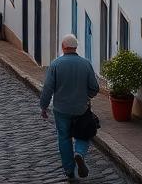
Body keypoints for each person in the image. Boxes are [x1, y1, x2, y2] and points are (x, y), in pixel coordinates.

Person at [40, 34, 100, 180]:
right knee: (84, 133)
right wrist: (86, 97)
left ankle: (69, 170)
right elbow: (94, 87)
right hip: (81, 108)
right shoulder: (85, 64)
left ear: (63, 46)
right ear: (75, 47)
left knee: (64, 138)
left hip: (61, 109)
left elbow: (48, 88)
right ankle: (79, 153)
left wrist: (43, 106)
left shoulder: (55, 64)